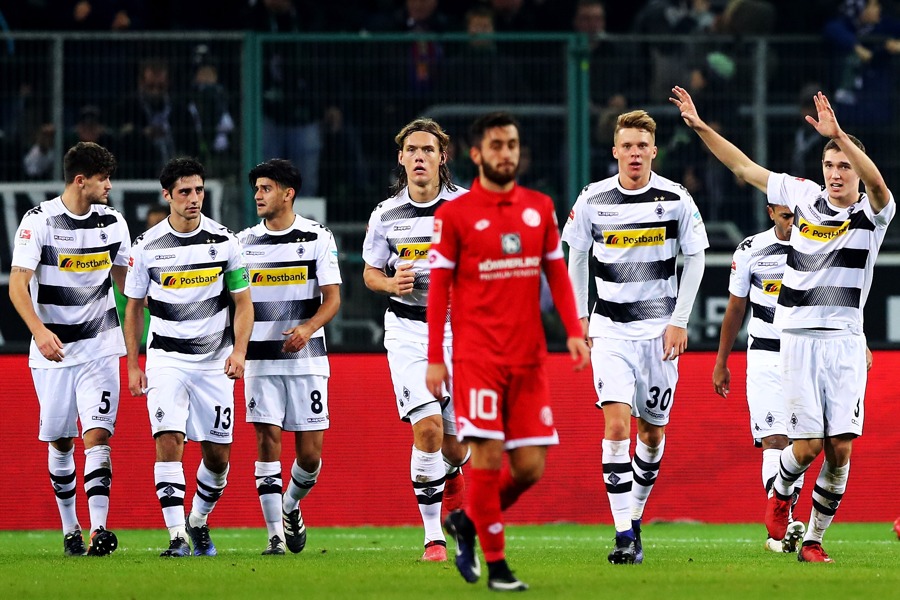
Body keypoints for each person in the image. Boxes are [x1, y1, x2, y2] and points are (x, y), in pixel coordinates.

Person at [671, 85, 894, 562]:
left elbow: (879, 187)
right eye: (830, 165)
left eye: (844, 166)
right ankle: (780, 494)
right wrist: (700, 125)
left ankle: (813, 539)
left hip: (845, 343)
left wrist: (841, 137)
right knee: (809, 444)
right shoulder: (803, 195)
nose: (836, 174)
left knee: (840, 450)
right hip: (793, 339)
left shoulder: (872, 214)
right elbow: (743, 167)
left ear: (857, 168)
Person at [426, 112, 590, 590]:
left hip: (530, 359)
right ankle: (497, 567)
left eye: (512, 144)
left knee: (530, 469)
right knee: (487, 459)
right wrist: (436, 356)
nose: (506, 153)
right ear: (475, 154)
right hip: (478, 359)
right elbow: (439, 290)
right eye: (496, 145)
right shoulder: (453, 215)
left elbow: (556, 273)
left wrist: (574, 330)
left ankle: (468, 522)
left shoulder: (540, 207)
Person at [563, 109, 709, 565]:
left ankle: (636, 516)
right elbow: (577, 256)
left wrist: (680, 319)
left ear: (653, 151)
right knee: (617, 425)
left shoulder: (676, 198)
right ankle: (623, 532)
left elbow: (697, 258)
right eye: (626, 145)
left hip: (659, 335)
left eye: (642, 146)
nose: (634, 153)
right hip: (610, 332)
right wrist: (580, 315)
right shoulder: (593, 199)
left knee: (653, 432)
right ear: (614, 151)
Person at [123, 157, 253, 557]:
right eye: (184, 192)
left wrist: (240, 352)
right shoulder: (146, 247)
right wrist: (132, 364)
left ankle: (198, 520)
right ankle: (177, 535)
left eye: (198, 190)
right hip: (166, 360)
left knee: (217, 458)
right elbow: (131, 308)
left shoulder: (224, 242)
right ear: (167, 196)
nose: (194, 198)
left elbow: (243, 302)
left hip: (215, 361)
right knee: (170, 440)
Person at [9, 141, 130, 556]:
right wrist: (39, 331)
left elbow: (125, 282)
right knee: (61, 442)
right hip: (53, 353)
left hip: (99, 346)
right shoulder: (38, 221)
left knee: (98, 437)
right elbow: (17, 285)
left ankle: (99, 530)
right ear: (82, 181)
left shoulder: (113, 222)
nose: (109, 187)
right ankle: (70, 528)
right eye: (104, 179)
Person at [362, 118, 470, 562]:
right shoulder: (385, 215)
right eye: (413, 150)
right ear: (401, 158)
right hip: (408, 330)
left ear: (443, 157)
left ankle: (455, 475)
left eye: (429, 149)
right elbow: (370, 272)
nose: (421, 157)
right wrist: (391, 284)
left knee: (455, 445)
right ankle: (433, 538)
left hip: (460, 333)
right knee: (425, 429)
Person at [238, 159, 342, 556]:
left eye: (266, 188)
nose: (258, 195)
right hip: (261, 362)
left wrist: (307, 328)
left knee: (310, 457)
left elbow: (333, 299)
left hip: (308, 360)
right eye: (257, 188)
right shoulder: (244, 243)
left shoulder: (317, 237)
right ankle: (273, 538)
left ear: (288, 194)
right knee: (267, 441)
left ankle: (289, 505)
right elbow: (235, 301)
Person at [712, 202, 808, 553]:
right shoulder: (750, 250)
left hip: (806, 353)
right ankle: (783, 521)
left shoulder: (817, 247)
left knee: (805, 445)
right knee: (774, 440)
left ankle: (779, 524)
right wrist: (722, 361)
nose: (793, 225)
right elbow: (736, 307)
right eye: (786, 218)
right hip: (765, 354)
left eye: (799, 218)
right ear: (771, 213)